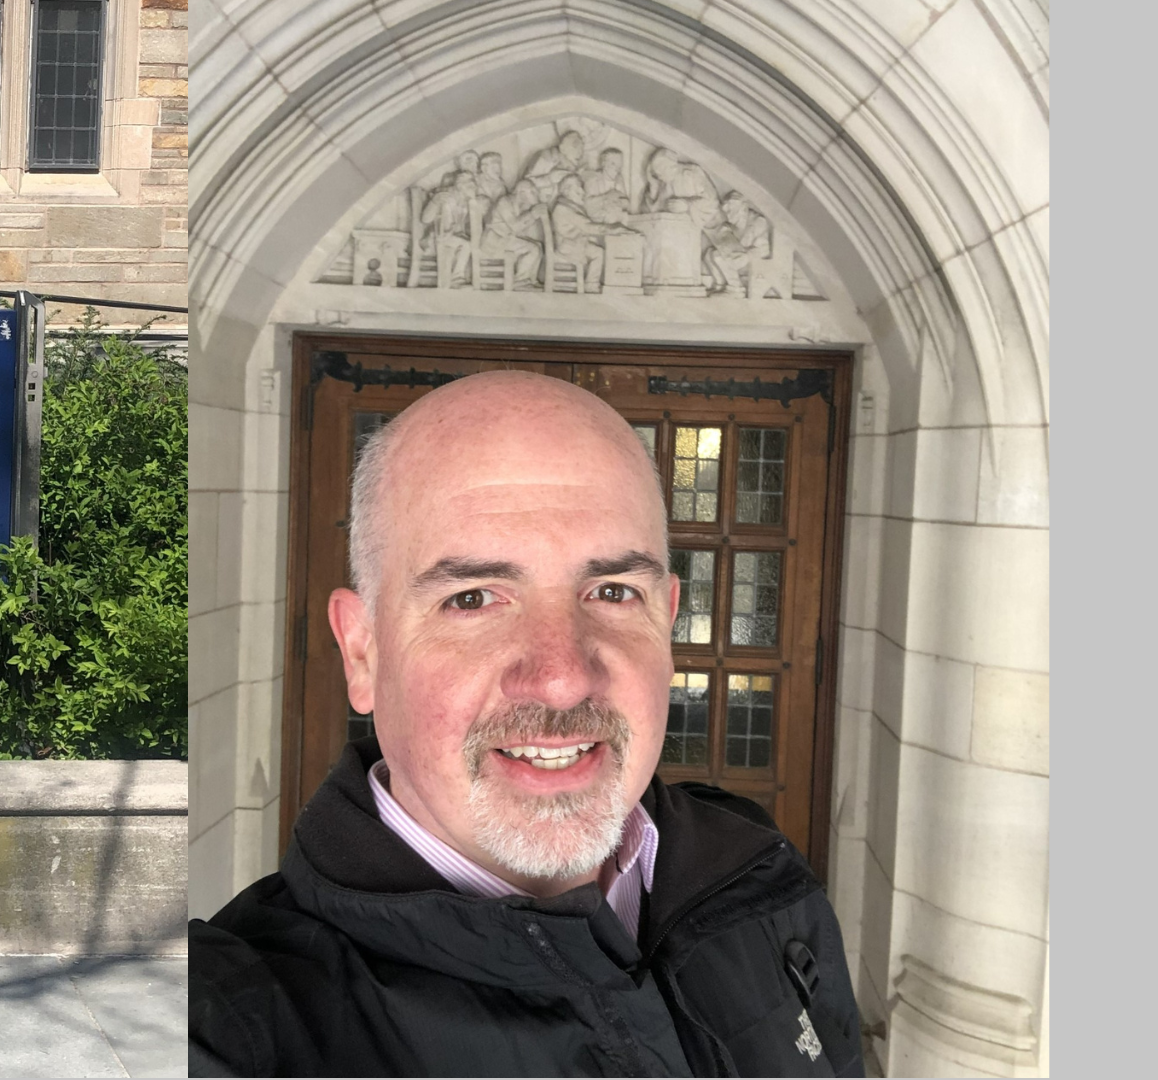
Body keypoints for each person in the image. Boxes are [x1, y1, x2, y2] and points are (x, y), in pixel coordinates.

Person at [189, 372, 864, 1077]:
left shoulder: (753, 871)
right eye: (473, 598)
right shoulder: (239, 1025)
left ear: (666, 621)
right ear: (363, 651)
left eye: (611, 592)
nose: (561, 676)